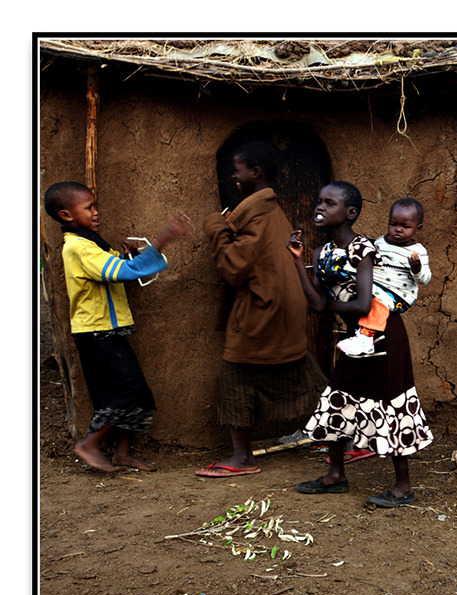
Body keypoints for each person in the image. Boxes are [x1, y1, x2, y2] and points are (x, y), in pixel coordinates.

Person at [287, 181, 433, 507]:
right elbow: (315, 304)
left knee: (391, 403)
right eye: (319, 201)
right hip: (355, 339)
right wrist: (298, 263)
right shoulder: (320, 253)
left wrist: (328, 307)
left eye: (329, 203)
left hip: (384, 336)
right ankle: (335, 475)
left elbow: (364, 304)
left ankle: (403, 486)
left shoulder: (364, 249)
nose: (319, 207)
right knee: (337, 396)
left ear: (350, 213)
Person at [44, 181, 193, 472]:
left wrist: (125, 255)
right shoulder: (79, 247)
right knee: (130, 391)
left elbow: (116, 267)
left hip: (106, 330)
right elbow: (124, 273)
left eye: (95, 205)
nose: (96, 212)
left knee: (121, 393)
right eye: (89, 207)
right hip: (97, 333)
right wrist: (162, 239)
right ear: (66, 216)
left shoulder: (93, 244)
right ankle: (89, 443)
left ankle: (122, 453)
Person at [199, 141, 326, 478]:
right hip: (281, 315)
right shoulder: (269, 211)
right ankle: (338, 435)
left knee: (233, 380)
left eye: (238, 169)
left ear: (255, 173)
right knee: (303, 374)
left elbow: (233, 267)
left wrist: (215, 227)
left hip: (262, 315)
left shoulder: (257, 216)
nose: (234, 176)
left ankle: (243, 458)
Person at [336, 197, 431, 357]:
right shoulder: (381, 242)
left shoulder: (417, 251)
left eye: (405, 226)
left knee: (379, 302)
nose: (398, 229)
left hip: (398, 294)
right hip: (378, 284)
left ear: (418, 229)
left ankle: (365, 339)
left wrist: (417, 268)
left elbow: (425, 279)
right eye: (393, 224)